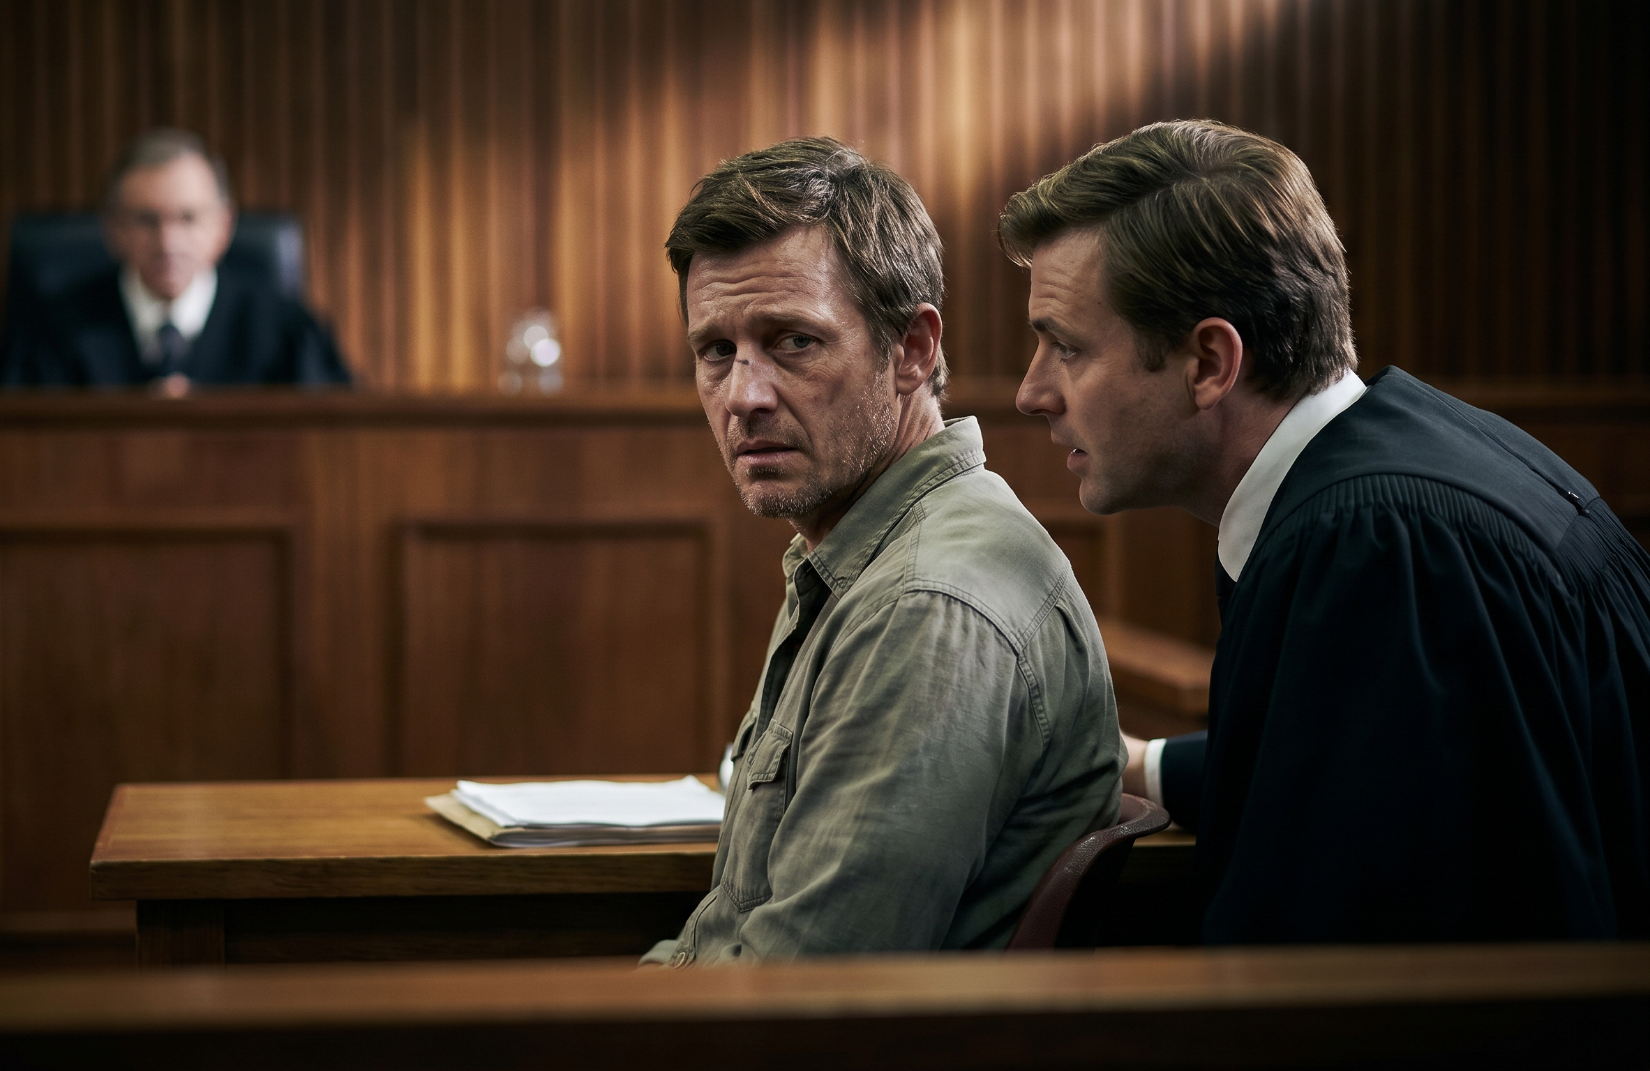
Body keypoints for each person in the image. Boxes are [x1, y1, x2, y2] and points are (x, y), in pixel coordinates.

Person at [1000, 119, 1650, 944]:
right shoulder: (1403, 463)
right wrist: (1137, 762)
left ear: (1208, 363)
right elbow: (1368, 769)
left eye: (1066, 348)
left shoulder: (1377, 549)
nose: (1030, 393)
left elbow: (1357, 975)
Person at [640, 137, 1123, 966]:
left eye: (793, 341)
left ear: (912, 351)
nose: (744, 397)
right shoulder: (868, 543)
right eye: (716, 352)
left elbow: (797, 999)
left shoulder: (927, 602)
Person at [0, 128, 350, 391]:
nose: (168, 242)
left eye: (188, 218)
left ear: (224, 226)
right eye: (146, 220)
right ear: (112, 228)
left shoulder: (287, 331)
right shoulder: (48, 333)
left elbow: (332, 447)